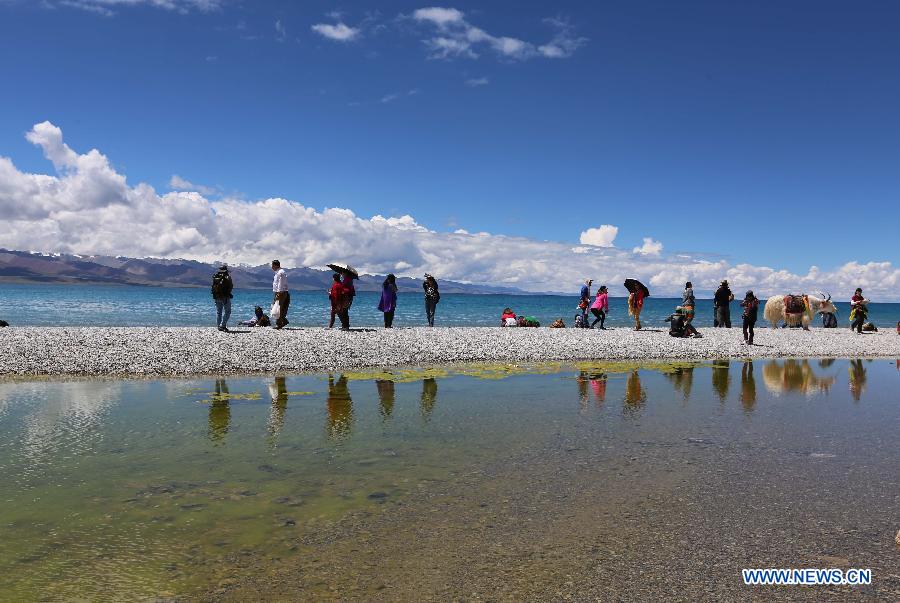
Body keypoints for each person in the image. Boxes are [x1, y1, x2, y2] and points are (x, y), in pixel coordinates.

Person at [211, 264, 234, 332]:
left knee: (219, 312)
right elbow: (231, 286)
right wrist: (228, 294)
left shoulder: (215, 276)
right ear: (226, 270)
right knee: (228, 311)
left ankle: (219, 326)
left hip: (216, 296)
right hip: (225, 297)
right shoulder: (227, 277)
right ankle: (223, 325)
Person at [271, 260, 290, 329]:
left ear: (275, 265)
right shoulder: (278, 272)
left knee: (278, 308)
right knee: (276, 307)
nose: (272, 267)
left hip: (281, 292)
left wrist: (279, 293)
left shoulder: (281, 272)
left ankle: (279, 324)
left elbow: (281, 283)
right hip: (279, 292)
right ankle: (283, 321)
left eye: (272, 265)